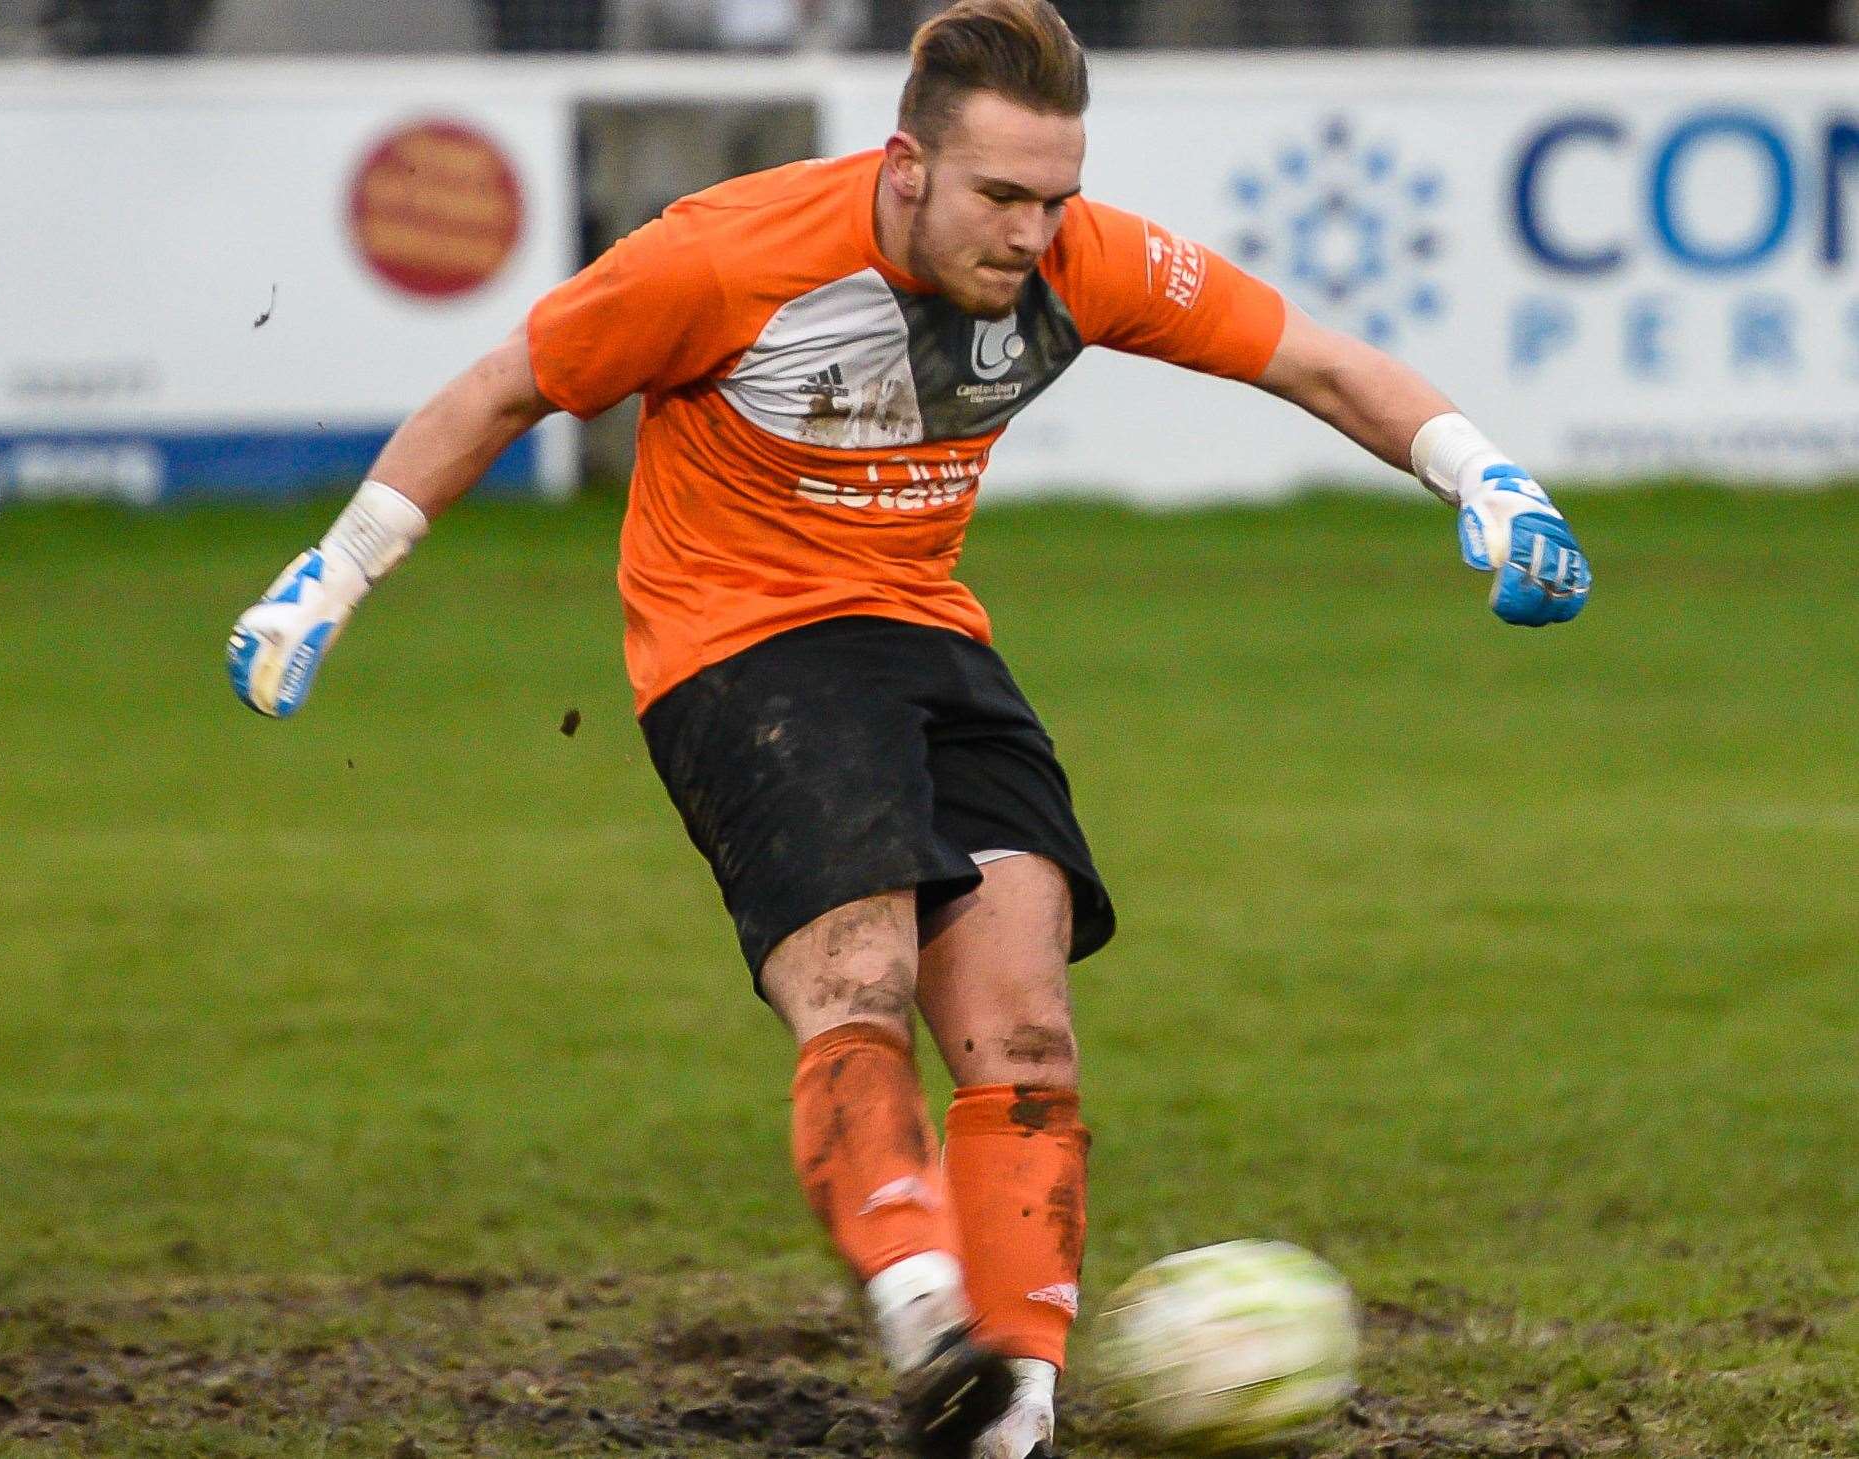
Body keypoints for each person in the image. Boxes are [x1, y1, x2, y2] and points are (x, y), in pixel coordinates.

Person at [226, 1, 1591, 1454]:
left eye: (1053, 198)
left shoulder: (1081, 261)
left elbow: (1313, 360)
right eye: (999, 195)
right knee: (858, 978)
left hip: (928, 637)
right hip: (739, 651)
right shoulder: (721, 254)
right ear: (905, 166)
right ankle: (930, 1324)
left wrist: (1491, 484)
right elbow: (505, 386)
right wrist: (334, 576)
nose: (1028, 233)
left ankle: (1010, 1419)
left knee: (1025, 1029)